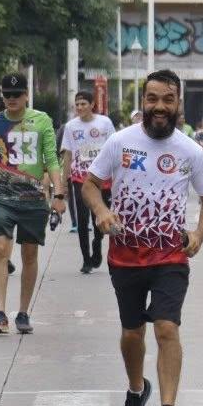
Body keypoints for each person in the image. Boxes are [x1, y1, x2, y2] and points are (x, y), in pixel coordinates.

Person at [83, 69, 203, 406]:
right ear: (143, 102)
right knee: (132, 332)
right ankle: (135, 388)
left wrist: (198, 234)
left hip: (170, 257)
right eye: (153, 99)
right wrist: (101, 211)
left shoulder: (191, 151)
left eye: (168, 100)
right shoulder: (120, 142)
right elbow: (91, 185)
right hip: (125, 256)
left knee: (166, 327)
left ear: (179, 104)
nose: (160, 107)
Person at [0, 74, 65, 334]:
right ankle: (0, 313)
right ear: (2, 96)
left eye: (17, 94)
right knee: (1, 250)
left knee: (29, 254)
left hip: (34, 199)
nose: (12, 99)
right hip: (3, 197)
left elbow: (51, 159)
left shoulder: (42, 121)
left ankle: (24, 312)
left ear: (26, 95)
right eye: (7, 95)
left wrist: (59, 195)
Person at [62, 91, 117, 276]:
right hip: (79, 178)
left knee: (99, 217)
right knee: (83, 219)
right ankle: (86, 259)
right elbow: (68, 155)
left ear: (92, 104)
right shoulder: (70, 127)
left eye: (83, 104)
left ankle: (97, 243)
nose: (80, 108)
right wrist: (64, 182)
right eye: (77, 105)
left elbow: (113, 149)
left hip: (102, 179)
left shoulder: (104, 123)